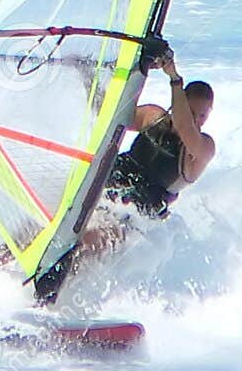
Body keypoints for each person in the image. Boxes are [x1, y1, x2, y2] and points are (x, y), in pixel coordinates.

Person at [74, 50, 215, 256]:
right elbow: (109, 115)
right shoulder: (153, 117)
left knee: (89, 240)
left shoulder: (202, 149)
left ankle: (52, 286)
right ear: (179, 104)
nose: (195, 120)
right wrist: (85, 73)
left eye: (202, 115)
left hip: (137, 216)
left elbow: (185, 129)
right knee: (45, 225)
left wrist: (175, 78)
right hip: (105, 189)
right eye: (190, 111)